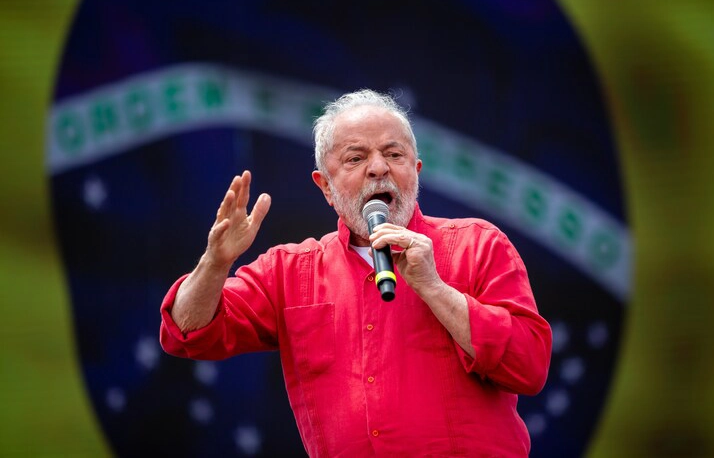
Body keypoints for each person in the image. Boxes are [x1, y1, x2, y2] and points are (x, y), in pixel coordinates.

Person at [160, 89, 553, 457]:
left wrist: (435, 289)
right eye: (355, 158)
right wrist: (215, 263)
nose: (378, 168)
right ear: (326, 187)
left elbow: (530, 366)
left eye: (394, 155)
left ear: (416, 171)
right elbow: (187, 333)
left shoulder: (478, 245)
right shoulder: (289, 271)